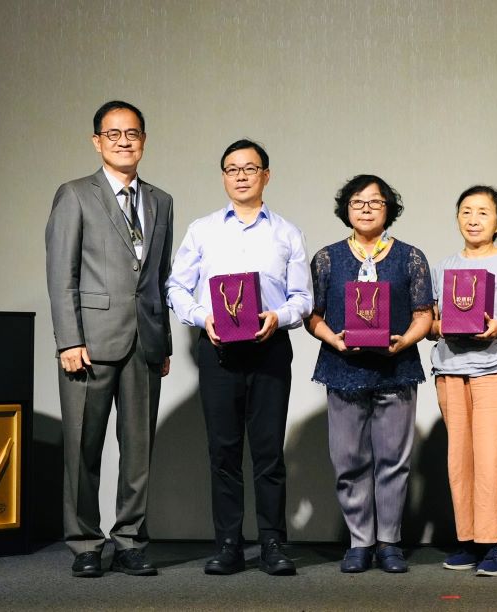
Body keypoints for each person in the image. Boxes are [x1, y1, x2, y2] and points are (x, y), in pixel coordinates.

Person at [166, 139, 312, 576]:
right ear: (224, 177)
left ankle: (272, 544)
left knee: (269, 454)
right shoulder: (203, 229)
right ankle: (228, 544)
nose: (242, 175)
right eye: (233, 169)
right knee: (223, 453)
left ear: (266, 175)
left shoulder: (287, 232)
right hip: (218, 352)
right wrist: (201, 317)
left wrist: (279, 316)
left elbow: (303, 298)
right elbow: (175, 286)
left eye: (251, 168)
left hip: (269, 349)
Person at [45, 100, 173, 577]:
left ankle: (131, 540)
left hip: (145, 343)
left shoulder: (160, 200)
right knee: (83, 449)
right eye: (113, 133)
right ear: (97, 141)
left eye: (133, 133)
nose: (124, 141)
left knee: (138, 450)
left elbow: (158, 278)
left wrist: (163, 344)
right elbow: (62, 275)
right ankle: (84, 544)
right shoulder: (75, 195)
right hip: (89, 343)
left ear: (143, 140)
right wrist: (68, 340)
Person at [306, 175, 433, 573]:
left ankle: (389, 542)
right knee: (348, 460)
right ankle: (359, 542)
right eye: (357, 202)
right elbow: (312, 315)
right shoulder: (327, 259)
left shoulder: (410, 257)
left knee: (393, 461)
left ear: (388, 209)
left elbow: (425, 315)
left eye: (375, 202)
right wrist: (335, 340)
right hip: (342, 370)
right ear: (346, 208)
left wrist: (403, 341)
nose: (365, 208)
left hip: (395, 369)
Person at [429, 185, 497, 576]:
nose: (473, 220)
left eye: (483, 213)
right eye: (466, 212)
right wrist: (446, 327)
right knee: (462, 460)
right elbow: (431, 323)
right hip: (453, 373)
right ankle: (473, 540)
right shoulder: (442, 266)